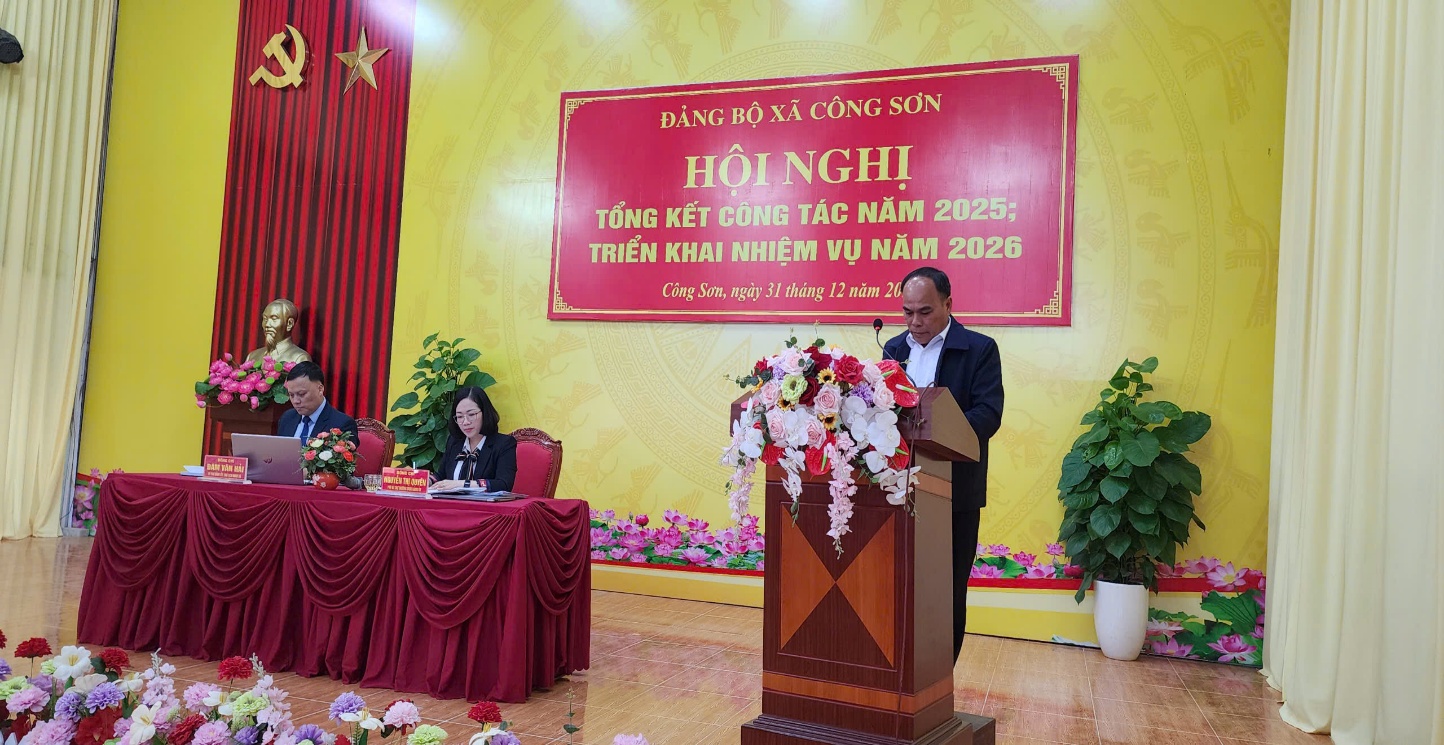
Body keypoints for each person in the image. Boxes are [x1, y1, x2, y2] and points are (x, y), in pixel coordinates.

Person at [882, 266, 1004, 663]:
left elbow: (988, 414)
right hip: (898, 488)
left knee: (947, 588)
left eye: (925, 312)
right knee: (899, 583)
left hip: (955, 491)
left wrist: (940, 429)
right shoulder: (893, 350)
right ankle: (899, 669)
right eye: (907, 312)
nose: (915, 322)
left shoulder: (979, 349)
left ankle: (939, 674)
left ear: (948, 304)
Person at [432, 386, 517, 493]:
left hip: (483, 504)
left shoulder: (504, 444)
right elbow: (441, 476)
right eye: (460, 417)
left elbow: (503, 484)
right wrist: (425, 480)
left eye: (471, 414)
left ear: (485, 413)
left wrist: (462, 484)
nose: (465, 422)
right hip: (452, 502)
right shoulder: (454, 442)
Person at [276, 361, 359, 445]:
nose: (296, 401)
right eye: (291, 395)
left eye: (301, 394)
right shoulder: (287, 418)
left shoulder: (342, 424)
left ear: (320, 389)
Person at [245, 299, 312, 367]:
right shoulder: (252, 356)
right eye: (265, 319)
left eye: (274, 318)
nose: (267, 324)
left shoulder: (300, 358)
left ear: (289, 324)